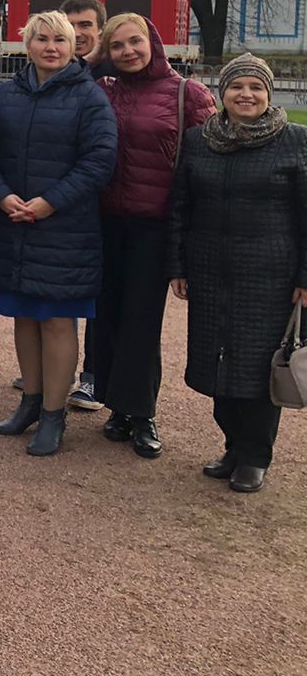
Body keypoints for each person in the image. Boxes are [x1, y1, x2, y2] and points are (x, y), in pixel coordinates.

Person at [0, 11, 118, 457]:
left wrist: (50, 201)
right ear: (28, 45)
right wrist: (0, 196)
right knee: (24, 316)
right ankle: (31, 402)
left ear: (73, 46)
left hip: (64, 228)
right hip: (13, 222)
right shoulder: (7, 95)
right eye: (42, 39)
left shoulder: (89, 97)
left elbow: (99, 159)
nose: (50, 47)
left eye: (60, 39)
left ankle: (54, 414)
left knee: (57, 320)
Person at [167, 54, 307, 494]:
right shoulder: (199, 140)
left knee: (258, 369)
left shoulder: (294, 141)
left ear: (268, 94)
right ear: (222, 93)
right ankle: (231, 445)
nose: (246, 95)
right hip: (210, 270)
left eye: (256, 87)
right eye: (237, 86)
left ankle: (254, 456)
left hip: (270, 274)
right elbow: (180, 208)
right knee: (217, 363)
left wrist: (305, 276)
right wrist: (178, 265)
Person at [95, 13, 215, 458]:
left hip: (154, 223)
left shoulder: (188, 93)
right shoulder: (103, 89)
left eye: (135, 42)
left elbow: (209, 157)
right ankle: (117, 405)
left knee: (141, 321)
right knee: (107, 315)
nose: (128, 51)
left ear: (153, 43)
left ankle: (142, 412)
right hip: (105, 220)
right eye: (117, 45)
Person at [59, 0, 109, 411]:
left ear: (100, 30)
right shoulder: (54, 71)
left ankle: (92, 375)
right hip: (65, 202)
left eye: (86, 25)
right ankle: (56, 366)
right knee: (62, 288)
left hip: (108, 199)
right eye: (71, 25)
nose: (77, 34)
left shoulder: (111, 75)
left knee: (99, 295)